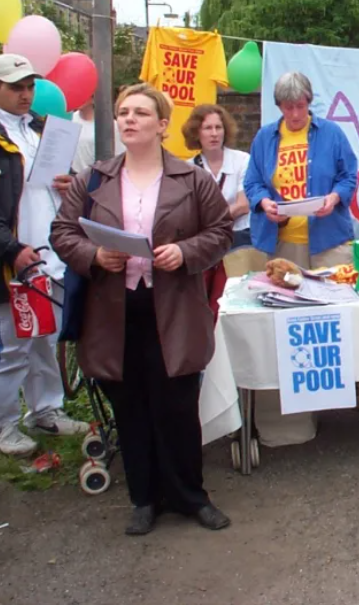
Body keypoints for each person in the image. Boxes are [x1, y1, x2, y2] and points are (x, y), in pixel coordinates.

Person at [50, 83, 233, 536]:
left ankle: (190, 495)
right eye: (123, 112)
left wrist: (185, 251)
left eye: (140, 113)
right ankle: (143, 498)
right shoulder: (94, 179)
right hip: (113, 311)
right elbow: (63, 232)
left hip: (173, 308)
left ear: (162, 125)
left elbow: (221, 231)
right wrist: (94, 255)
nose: (129, 119)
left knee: (178, 406)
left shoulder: (192, 179)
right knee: (130, 407)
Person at [0, 54, 88, 457]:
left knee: (46, 338)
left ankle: (46, 409)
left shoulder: (44, 129)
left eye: (29, 87)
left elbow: (59, 185)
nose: (25, 94)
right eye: (16, 87)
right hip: (8, 261)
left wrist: (71, 184)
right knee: (8, 345)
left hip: (51, 253)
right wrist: (10, 249)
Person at [244, 72, 358, 269]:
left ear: (309, 102)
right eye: (288, 107)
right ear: (279, 106)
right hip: (281, 242)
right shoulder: (264, 137)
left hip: (329, 240)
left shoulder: (332, 133)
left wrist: (334, 198)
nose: (295, 114)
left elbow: (348, 176)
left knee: (334, 288)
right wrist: (264, 202)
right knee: (287, 288)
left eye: (300, 106)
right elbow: (253, 182)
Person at [182, 104, 251, 249]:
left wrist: (209, 221)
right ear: (196, 133)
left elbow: (243, 205)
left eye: (218, 127)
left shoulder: (243, 160)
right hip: (203, 241)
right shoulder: (187, 168)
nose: (214, 134)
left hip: (238, 236)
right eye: (208, 128)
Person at [71, 95, 125, 173]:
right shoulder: (69, 119)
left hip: (96, 174)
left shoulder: (110, 124)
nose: (77, 98)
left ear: (93, 99)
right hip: (71, 174)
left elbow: (120, 154)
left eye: (82, 95)